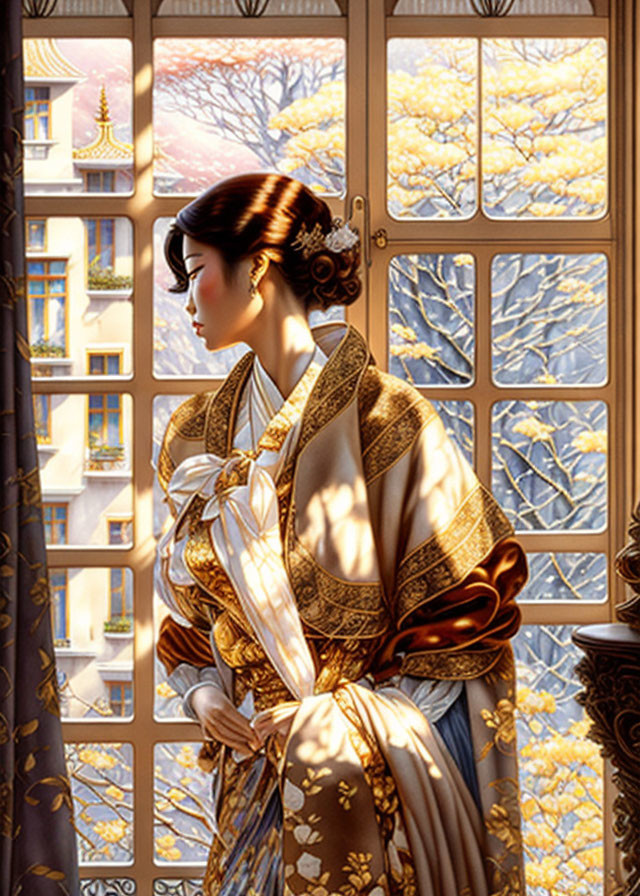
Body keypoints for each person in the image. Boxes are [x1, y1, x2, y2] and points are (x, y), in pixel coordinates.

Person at [155, 172, 528, 896]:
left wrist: (341, 720)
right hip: (251, 767)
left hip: (360, 777)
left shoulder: (391, 420)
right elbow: (189, 615)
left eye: (196, 271)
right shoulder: (194, 432)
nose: (186, 300)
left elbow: (465, 620)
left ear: (256, 268)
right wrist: (203, 695)